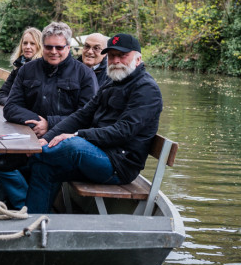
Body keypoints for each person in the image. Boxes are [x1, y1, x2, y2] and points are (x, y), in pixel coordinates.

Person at [25, 33, 163, 214]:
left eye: (122, 55)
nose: (116, 60)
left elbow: (123, 131)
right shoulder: (112, 83)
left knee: (73, 144)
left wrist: (78, 135)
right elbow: (81, 115)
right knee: (44, 168)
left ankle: (19, 155)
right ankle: (35, 223)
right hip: (96, 152)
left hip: (118, 164)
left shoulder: (146, 89)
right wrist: (48, 137)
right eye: (112, 56)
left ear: (138, 59)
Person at [0, 22, 98, 209]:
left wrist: (50, 124)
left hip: (60, 143)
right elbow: (11, 107)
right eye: (49, 47)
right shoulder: (27, 70)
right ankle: (21, 204)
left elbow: (87, 116)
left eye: (59, 47)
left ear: (68, 47)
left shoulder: (85, 75)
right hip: (27, 136)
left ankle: (29, 209)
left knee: (43, 166)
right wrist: (38, 123)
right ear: (43, 46)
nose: (53, 51)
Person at [0, 27, 43, 106]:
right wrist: (11, 104)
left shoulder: (42, 69)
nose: (27, 47)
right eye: (25, 43)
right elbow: (2, 93)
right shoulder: (19, 66)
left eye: (32, 43)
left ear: (39, 46)